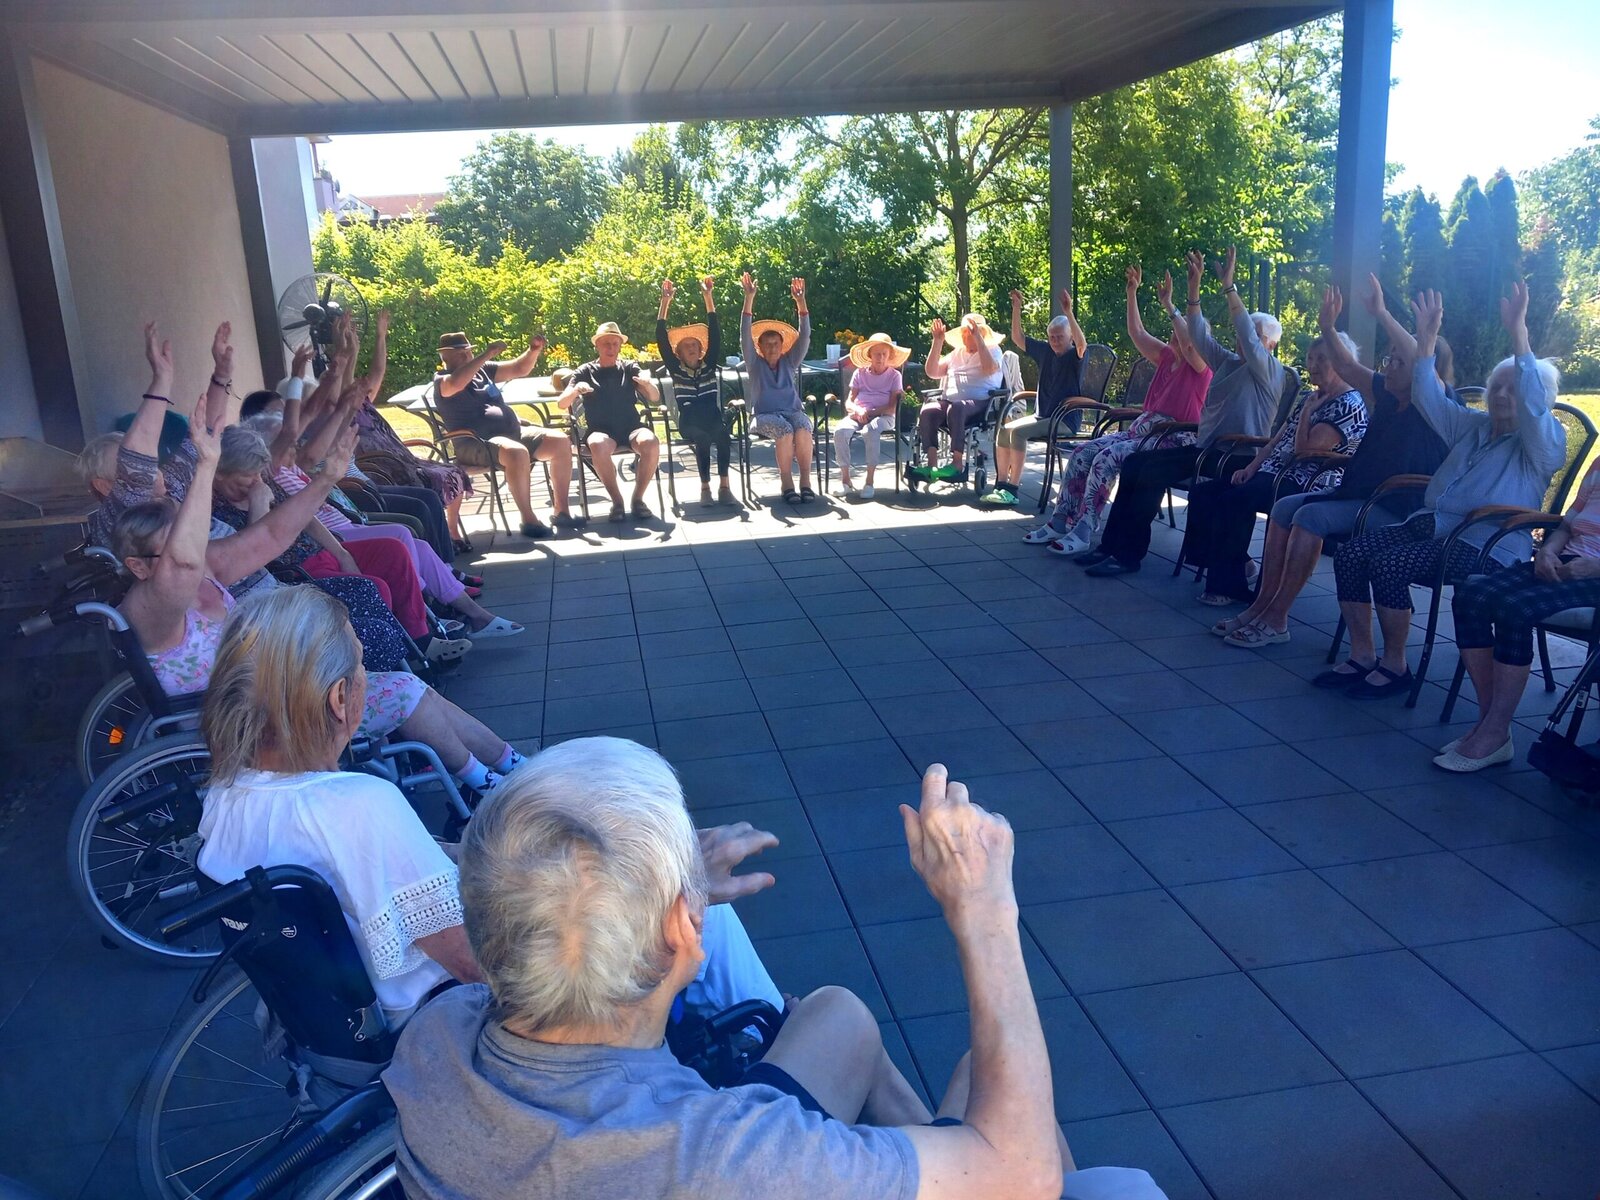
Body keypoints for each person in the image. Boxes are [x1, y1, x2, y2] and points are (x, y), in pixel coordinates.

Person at [386, 740, 1166, 1200]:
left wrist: (643, 895)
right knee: (1019, 1111)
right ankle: (933, 1163)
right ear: (685, 929)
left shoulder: (436, 1039)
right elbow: (1022, 1173)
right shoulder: (730, 1156)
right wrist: (985, 912)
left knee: (838, 1016)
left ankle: (923, 1153)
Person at [117, 429, 524, 801]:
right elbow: (183, 568)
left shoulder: (205, 568)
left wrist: (326, 478)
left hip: (280, 694)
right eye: (176, 549)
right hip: (247, 720)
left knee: (413, 689)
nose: (190, 553)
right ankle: (486, 782)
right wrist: (207, 466)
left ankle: (511, 765)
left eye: (190, 541)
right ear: (138, 566)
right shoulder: (150, 610)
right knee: (403, 692)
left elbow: (274, 533)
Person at [1321, 282, 1565, 700]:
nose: (1502, 394)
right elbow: (1427, 395)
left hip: (1484, 545)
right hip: (1433, 526)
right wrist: (1427, 341)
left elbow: (1533, 406)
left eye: (1513, 387)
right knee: (1350, 554)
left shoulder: (1541, 445)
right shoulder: (1472, 426)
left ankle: (1395, 665)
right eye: (1497, 385)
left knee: (1388, 565)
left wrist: (1518, 334)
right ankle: (1362, 655)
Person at [1216, 276, 1453, 649]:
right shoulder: (1389, 396)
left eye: (1399, 361)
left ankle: (1278, 618)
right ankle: (1260, 606)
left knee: (1310, 517)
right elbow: (1347, 365)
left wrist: (1386, 315)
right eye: (1388, 359)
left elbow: (1422, 364)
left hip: (1397, 508)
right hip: (1359, 497)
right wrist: (1327, 327)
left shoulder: (1438, 407)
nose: (1389, 366)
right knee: (1283, 508)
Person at [1079, 247, 1286, 577]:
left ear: (1271, 346)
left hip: (1238, 455)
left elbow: (1246, 333)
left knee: (1151, 472)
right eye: (1241, 334)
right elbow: (1198, 336)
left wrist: (1229, 287)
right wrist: (1193, 289)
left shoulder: (1270, 370)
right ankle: (1111, 546)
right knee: (1135, 463)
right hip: (1207, 450)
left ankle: (1128, 556)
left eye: (1255, 336)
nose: (1243, 339)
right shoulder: (1229, 362)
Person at [209, 426, 471, 662]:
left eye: (259, 474)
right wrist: (258, 504)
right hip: (296, 571)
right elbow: (254, 554)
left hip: (321, 551)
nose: (256, 482)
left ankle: (421, 637)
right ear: (219, 474)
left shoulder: (264, 484)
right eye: (248, 476)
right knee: (373, 587)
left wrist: (342, 553)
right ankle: (401, 656)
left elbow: (307, 518)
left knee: (393, 550)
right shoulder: (216, 510)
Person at [1024, 266, 1211, 555]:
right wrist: (1131, 292)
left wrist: (1170, 305)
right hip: (1143, 432)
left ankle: (1085, 529)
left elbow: (1189, 344)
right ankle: (1061, 520)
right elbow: (1137, 332)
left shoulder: (1201, 368)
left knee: (1106, 458)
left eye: (1183, 329)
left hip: (1174, 438)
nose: (1176, 334)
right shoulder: (1166, 356)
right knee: (1082, 452)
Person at [1182, 330, 1368, 606]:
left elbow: (1305, 451)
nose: (1313, 365)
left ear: (1342, 362)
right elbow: (1277, 439)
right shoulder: (1312, 395)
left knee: (1234, 501)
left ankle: (1227, 587)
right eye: (1311, 358)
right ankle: (1229, 564)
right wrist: (1252, 467)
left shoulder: (1349, 404)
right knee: (1204, 493)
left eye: (1322, 359)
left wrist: (1307, 412)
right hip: (1275, 472)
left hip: (1308, 481)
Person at [1444, 453, 1597, 771]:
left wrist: (1594, 567)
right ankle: (1490, 723)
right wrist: (1547, 552)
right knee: (1471, 596)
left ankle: (1495, 729)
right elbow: (1566, 526)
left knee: (1515, 609)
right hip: (1565, 563)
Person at [435, 330, 575, 538]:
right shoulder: (443, 380)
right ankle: (528, 519)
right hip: (476, 443)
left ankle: (561, 511)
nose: (467, 355)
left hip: (511, 434)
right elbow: (456, 384)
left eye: (468, 351)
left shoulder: (483, 371)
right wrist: (486, 354)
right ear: (445, 357)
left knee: (560, 441)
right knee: (517, 452)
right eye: (460, 353)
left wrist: (533, 350)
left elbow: (519, 368)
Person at [990, 287, 1088, 506]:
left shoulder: (1076, 355)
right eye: (1052, 337)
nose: (1055, 341)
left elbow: (1082, 344)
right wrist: (1017, 308)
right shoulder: (1045, 351)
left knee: (1018, 434)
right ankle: (1001, 485)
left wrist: (1069, 312)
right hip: (1042, 417)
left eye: (1060, 337)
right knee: (1004, 430)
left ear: (1070, 337)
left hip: (1064, 420)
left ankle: (1013, 490)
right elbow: (1018, 338)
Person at [557, 322, 663, 522]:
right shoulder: (585, 371)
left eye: (615, 343)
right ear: (597, 345)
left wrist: (647, 383)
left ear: (620, 346)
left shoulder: (629, 368)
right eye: (606, 343)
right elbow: (562, 403)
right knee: (598, 444)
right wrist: (576, 390)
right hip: (601, 430)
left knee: (651, 442)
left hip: (631, 427)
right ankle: (617, 501)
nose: (611, 348)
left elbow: (655, 397)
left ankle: (638, 499)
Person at [740, 273, 816, 504]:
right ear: (760, 347)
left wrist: (800, 302)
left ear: (782, 346)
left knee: (803, 427)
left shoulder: (789, 361)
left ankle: (805, 482)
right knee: (785, 430)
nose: (772, 347)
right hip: (764, 416)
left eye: (776, 343)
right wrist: (749, 298)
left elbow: (805, 336)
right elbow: (744, 335)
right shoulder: (754, 363)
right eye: (768, 344)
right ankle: (786, 482)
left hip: (792, 412)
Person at [657, 277, 734, 506]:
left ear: (700, 350)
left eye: (694, 345)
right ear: (679, 353)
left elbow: (715, 334)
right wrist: (665, 302)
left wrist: (708, 297)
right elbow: (661, 338)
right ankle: (705, 488)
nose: (691, 349)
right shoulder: (676, 369)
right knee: (702, 439)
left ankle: (725, 486)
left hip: (712, 418)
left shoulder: (708, 366)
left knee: (722, 436)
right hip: (690, 422)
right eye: (686, 346)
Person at [911, 313, 1005, 485]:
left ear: (983, 333)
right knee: (928, 410)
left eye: (972, 332)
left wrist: (979, 340)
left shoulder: (994, 350)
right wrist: (937, 341)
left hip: (980, 403)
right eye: (965, 332)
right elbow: (932, 371)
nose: (967, 335)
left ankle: (957, 463)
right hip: (950, 402)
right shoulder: (956, 353)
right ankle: (931, 465)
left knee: (957, 407)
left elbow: (989, 368)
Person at [832, 332, 909, 500]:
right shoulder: (859, 373)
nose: (880, 358)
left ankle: (869, 482)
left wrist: (870, 413)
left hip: (884, 416)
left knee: (870, 430)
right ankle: (846, 481)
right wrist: (858, 411)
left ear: (889, 355)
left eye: (884, 354)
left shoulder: (895, 376)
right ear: (870, 355)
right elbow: (849, 402)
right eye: (877, 354)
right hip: (859, 414)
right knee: (840, 431)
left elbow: (892, 407)